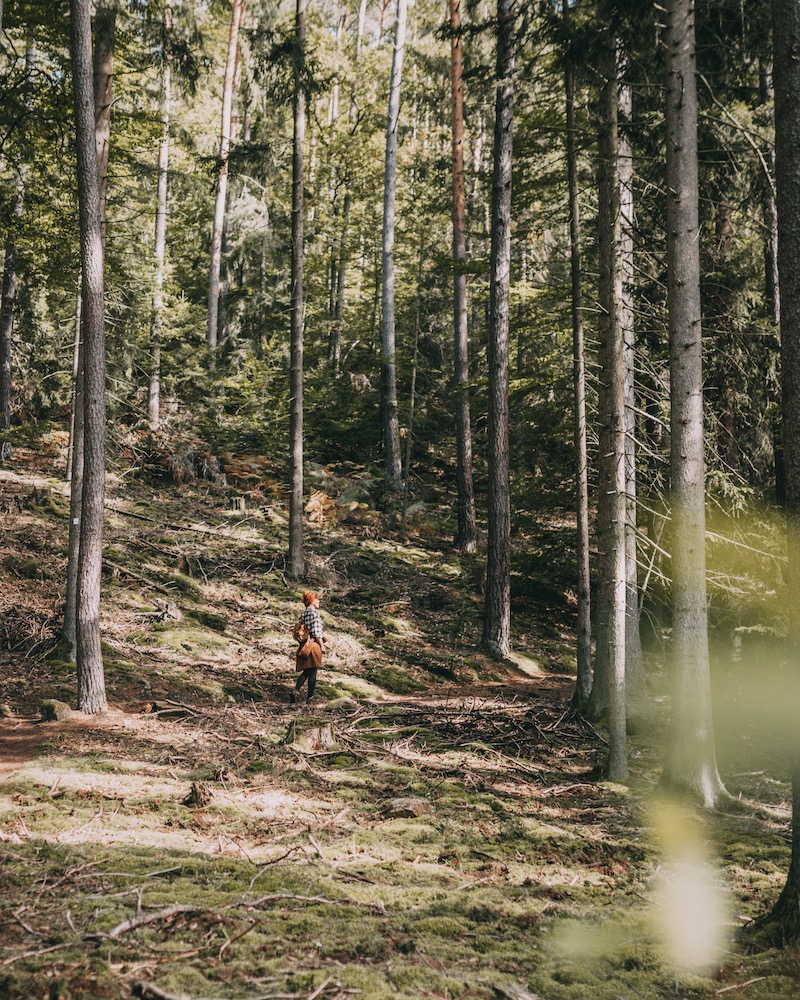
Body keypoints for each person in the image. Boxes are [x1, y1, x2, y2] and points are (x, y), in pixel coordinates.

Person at [291, 590, 326, 704]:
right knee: (313, 672)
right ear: (312, 600)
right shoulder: (314, 613)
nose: (319, 601)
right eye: (317, 599)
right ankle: (310, 698)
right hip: (313, 645)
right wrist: (322, 645)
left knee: (306, 671)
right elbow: (316, 632)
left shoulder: (304, 613)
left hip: (304, 644)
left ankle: (295, 691)